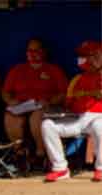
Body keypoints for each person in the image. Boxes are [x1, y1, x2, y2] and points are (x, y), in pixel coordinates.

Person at [42, 40, 102, 183]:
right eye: (83, 55)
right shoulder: (77, 79)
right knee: (47, 125)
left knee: (100, 126)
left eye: (89, 55)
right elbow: (68, 105)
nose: (84, 59)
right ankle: (60, 168)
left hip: (97, 118)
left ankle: (100, 168)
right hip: (78, 119)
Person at [3, 39, 68, 167]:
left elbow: (64, 93)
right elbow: (5, 92)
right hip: (22, 106)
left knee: (37, 117)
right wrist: (10, 101)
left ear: (44, 52)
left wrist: (50, 101)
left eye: (36, 50)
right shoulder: (18, 70)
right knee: (10, 116)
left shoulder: (53, 70)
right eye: (29, 51)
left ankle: (41, 155)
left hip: (45, 106)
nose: (32, 54)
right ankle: (20, 154)